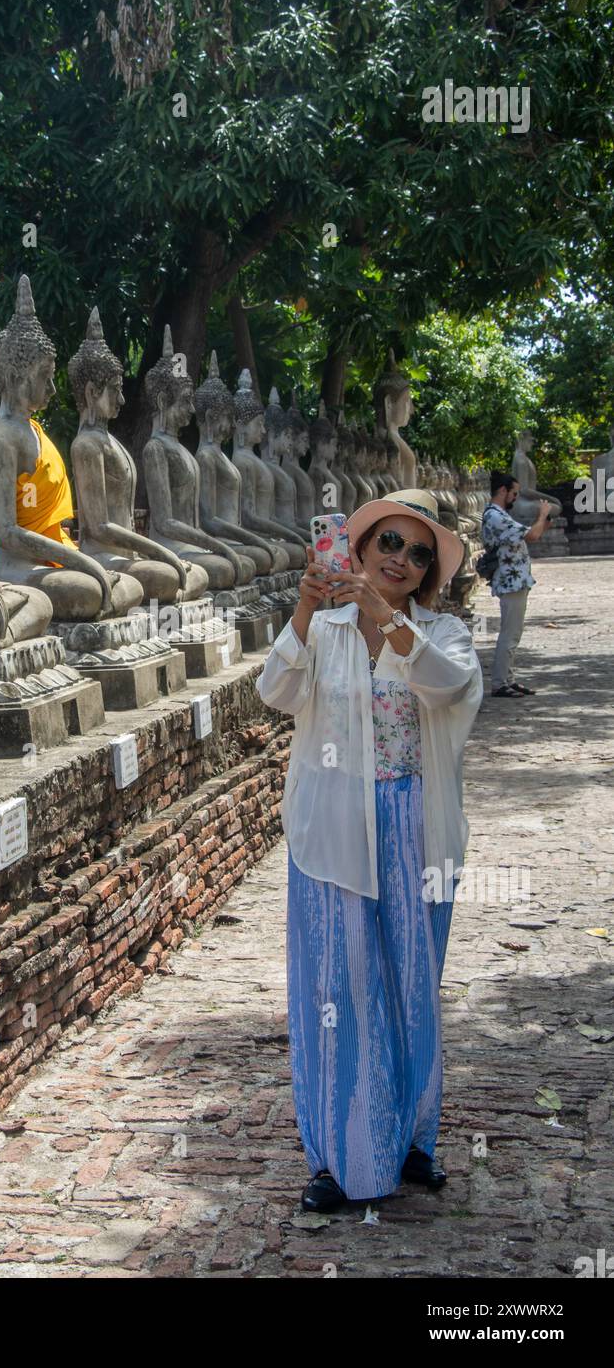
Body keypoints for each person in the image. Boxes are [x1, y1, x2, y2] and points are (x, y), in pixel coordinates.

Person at [256, 489, 483, 1211]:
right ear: (354, 550)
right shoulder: (321, 631)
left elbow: (450, 689)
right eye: (389, 543)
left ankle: (413, 1139)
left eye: (418, 554)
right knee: (337, 985)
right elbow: (277, 692)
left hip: (415, 825)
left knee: (412, 982)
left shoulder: (442, 634)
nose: (403, 561)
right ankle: (338, 1155)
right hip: (333, 830)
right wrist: (301, 611)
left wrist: (389, 624)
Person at [481, 471, 551, 697]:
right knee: (510, 633)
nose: (515, 498)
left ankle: (507, 679)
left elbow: (530, 534)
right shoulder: (494, 516)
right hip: (510, 581)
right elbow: (532, 536)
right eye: (514, 493)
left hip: (515, 580)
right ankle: (500, 683)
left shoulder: (498, 514)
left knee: (513, 632)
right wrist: (542, 515)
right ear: (502, 491)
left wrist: (542, 522)